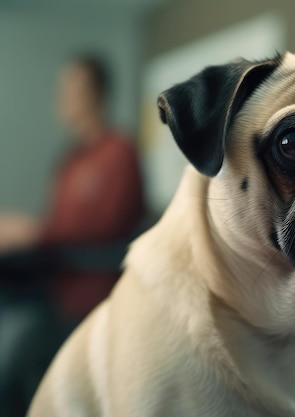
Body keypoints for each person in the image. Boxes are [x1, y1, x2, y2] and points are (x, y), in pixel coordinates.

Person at [0, 55, 145, 415]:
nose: (63, 98)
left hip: (92, 301)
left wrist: (35, 231)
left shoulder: (118, 151)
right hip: (52, 290)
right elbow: (59, 224)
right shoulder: (69, 159)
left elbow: (106, 224)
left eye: (73, 89)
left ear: (98, 94)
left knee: (12, 357)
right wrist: (25, 231)